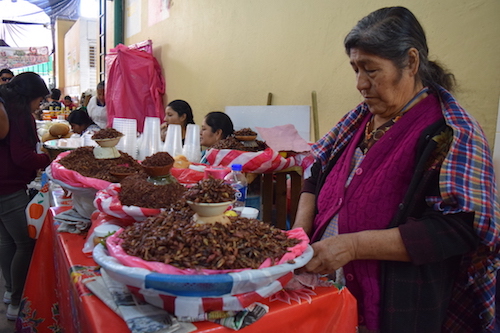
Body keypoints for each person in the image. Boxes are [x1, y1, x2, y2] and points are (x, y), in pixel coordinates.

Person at [292, 7, 499, 333]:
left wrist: (353, 246)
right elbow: (315, 170)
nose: (360, 83)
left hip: (397, 309)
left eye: (371, 70)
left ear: (411, 63)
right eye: (355, 69)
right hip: (325, 297)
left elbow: (459, 228)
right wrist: (301, 232)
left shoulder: (448, 132)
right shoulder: (357, 121)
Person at [0, 72, 51, 320]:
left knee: (6, 241)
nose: (39, 106)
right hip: (8, 187)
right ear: (30, 97)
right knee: (25, 242)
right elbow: (22, 157)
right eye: (40, 101)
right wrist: (50, 158)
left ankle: (10, 292)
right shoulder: (20, 115)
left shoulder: (5, 106)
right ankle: (17, 301)